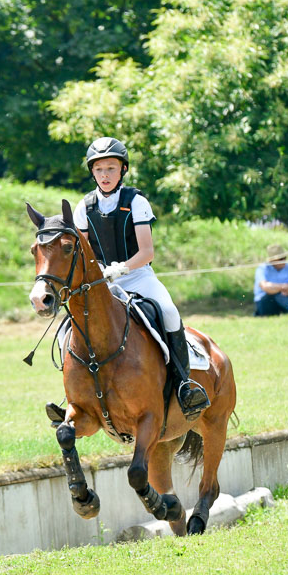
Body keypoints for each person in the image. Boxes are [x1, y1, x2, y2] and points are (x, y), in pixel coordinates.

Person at [73, 136, 210, 421]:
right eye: (99, 170)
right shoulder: (83, 207)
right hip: (102, 283)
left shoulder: (136, 201)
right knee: (71, 323)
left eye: (111, 168)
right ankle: (72, 392)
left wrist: (120, 268)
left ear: (123, 170)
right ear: (92, 172)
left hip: (137, 277)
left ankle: (184, 383)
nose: (105, 175)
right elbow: (83, 250)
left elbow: (147, 252)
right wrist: (99, 270)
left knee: (169, 312)